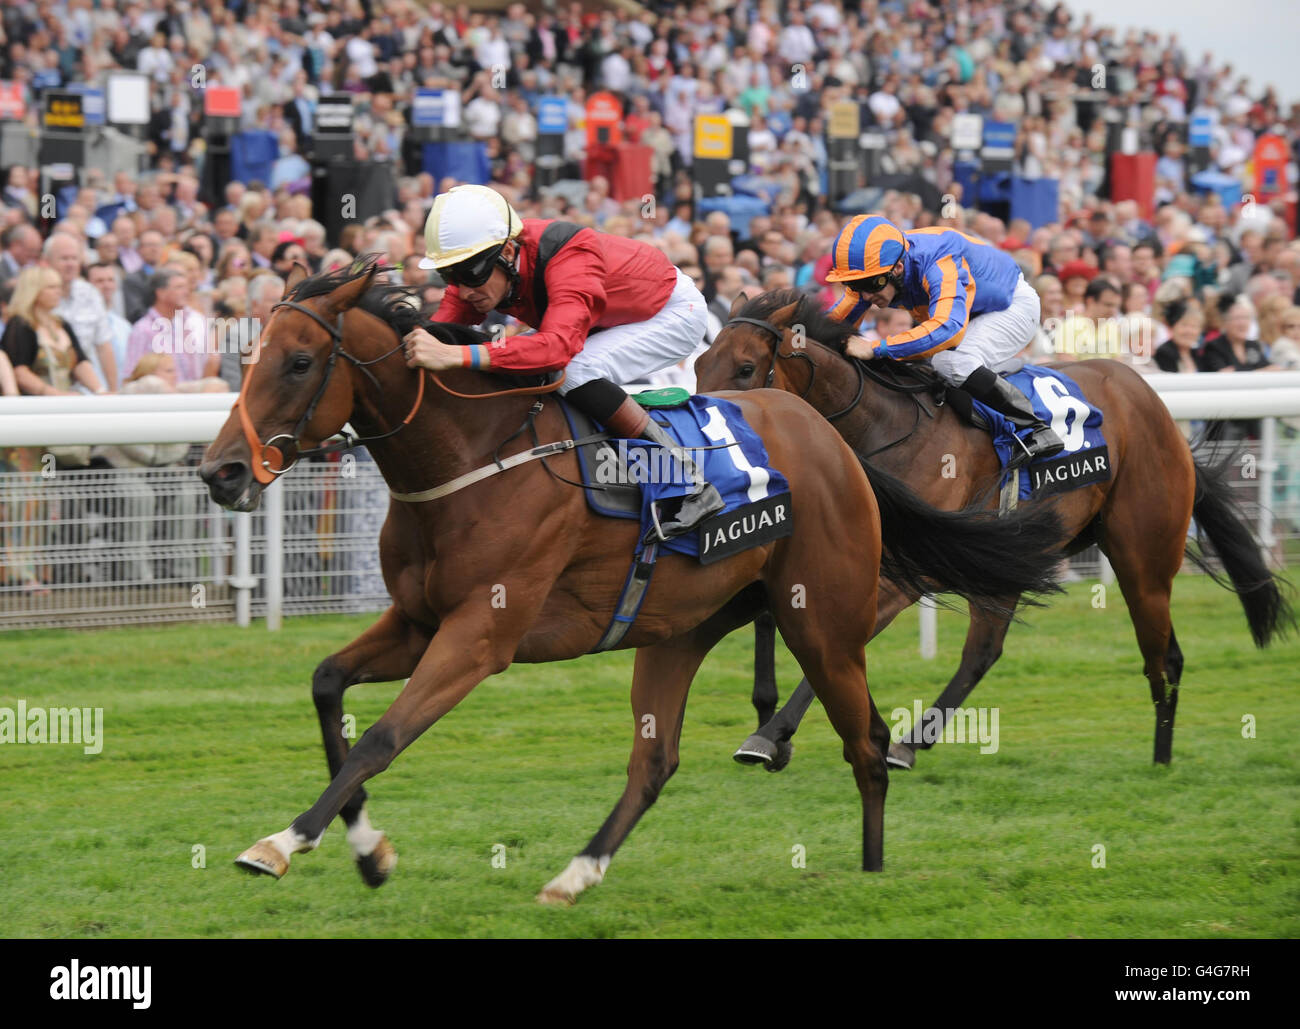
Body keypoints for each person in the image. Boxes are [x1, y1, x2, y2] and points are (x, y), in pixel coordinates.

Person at [400, 184, 719, 538]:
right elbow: (437, 334)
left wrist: (457, 355)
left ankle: (689, 482)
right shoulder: (484, 266)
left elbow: (556, 348)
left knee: (572, 370)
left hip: (671, 312)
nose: (462, 290)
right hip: (610, 315)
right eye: (449, 276)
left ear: (508, 250)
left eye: (471, 274)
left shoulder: (571, 254)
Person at [835, 214, 1064, 467]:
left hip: (1009, 306)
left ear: (897, 268)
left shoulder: (937, 259)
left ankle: (1036, 427)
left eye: (871, 284)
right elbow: (833, 325)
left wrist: (877, 347)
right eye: (854, 285)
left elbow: (948, 329)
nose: (865, 295)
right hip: (966, 313)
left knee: (950, 362)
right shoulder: (874, 272)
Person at [0, 266, 106, 396]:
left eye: (59, 287)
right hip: (35, 404)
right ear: (33, 290)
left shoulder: (61, 323)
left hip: (66, 399)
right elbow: (20, 371)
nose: (58, 292)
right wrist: (54, 394)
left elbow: (80, 362)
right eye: (51, 287)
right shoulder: (21, 324)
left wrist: (100, 391)